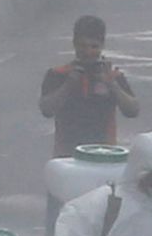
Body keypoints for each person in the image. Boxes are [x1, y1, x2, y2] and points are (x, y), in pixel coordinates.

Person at [41, 14, 138, 158]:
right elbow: (47, 110)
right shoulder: (57, 74)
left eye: (94, 47)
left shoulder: (112, 76)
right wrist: (69, 84)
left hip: (105, 155)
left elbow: (132, 111)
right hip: (66, 157)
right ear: (74, 44)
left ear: (102, 45)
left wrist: (112, 85)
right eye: (83, 46)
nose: (88, 52)